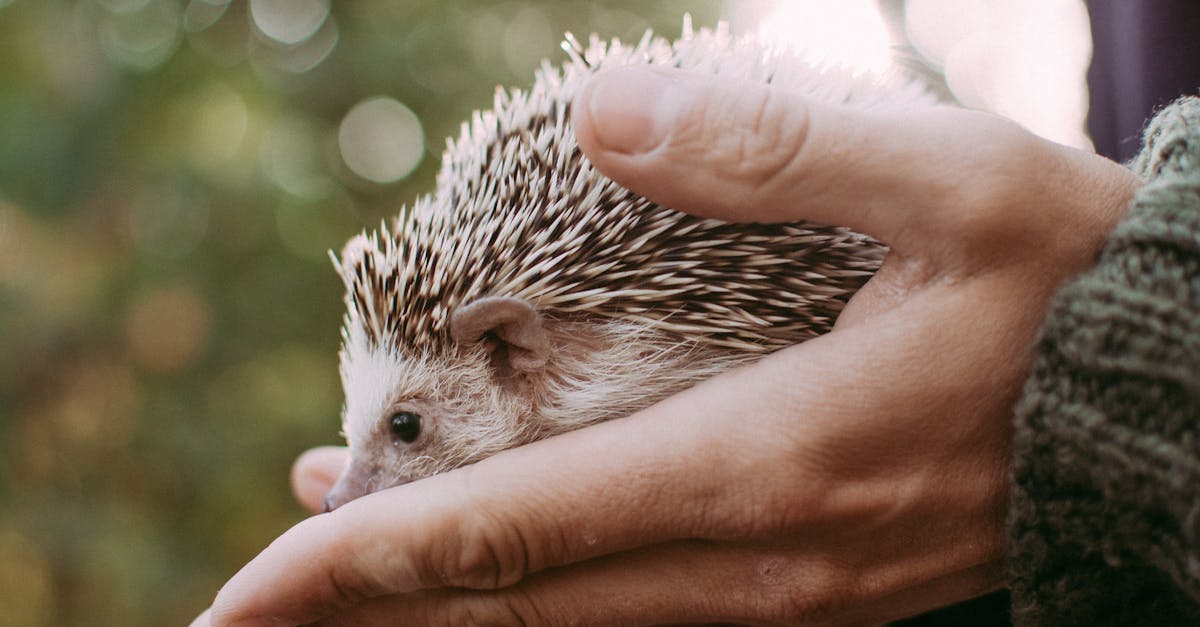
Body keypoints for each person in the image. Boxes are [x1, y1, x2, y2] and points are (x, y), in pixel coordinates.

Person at [192, 61, 1199, 625]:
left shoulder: (606, 350)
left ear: (510, 348)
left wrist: (1114, 327)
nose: (349, 490)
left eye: (404, 429)